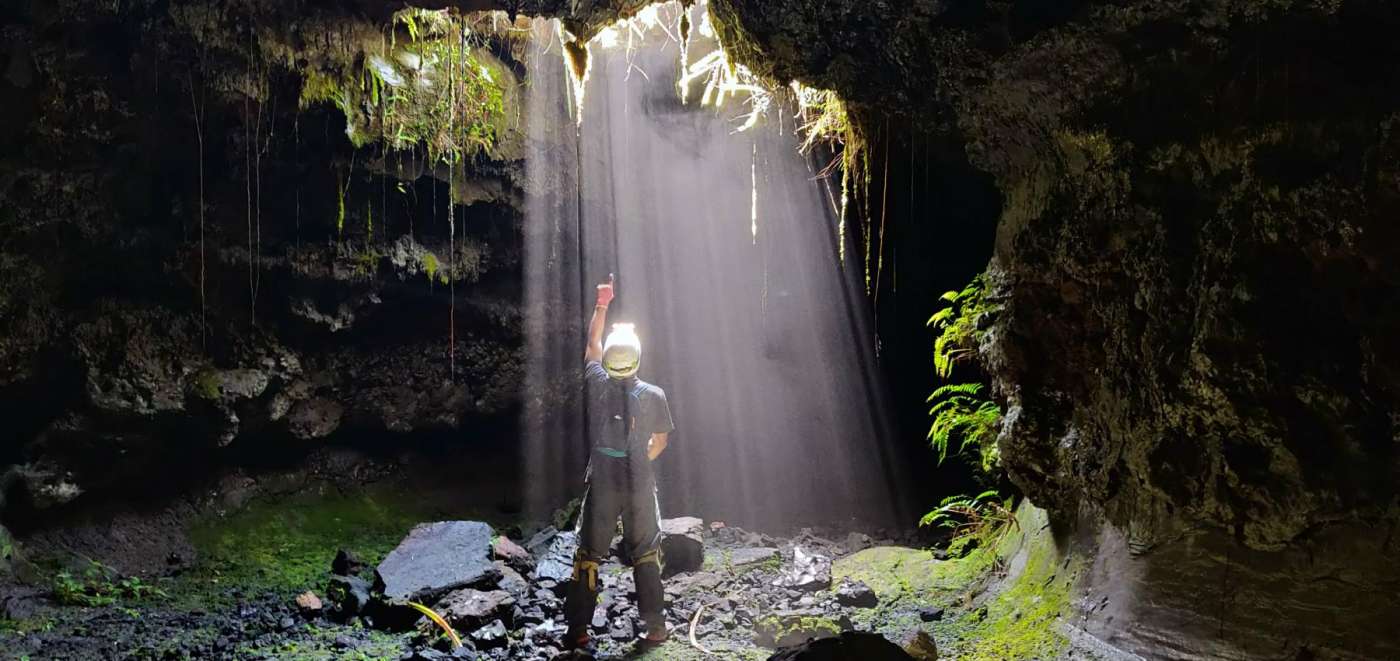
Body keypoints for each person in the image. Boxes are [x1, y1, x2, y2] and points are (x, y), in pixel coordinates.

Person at [563, 275, 674, 651]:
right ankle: (655, 628)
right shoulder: (654, 395)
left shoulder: (596, 381)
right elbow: (660, 440)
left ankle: (578, 630)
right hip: (639, 483)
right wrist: (642, 459)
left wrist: (602, 304)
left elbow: (592, 343)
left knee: (589, 556)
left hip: (603, 485)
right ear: (637, 357)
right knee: (645, 552)